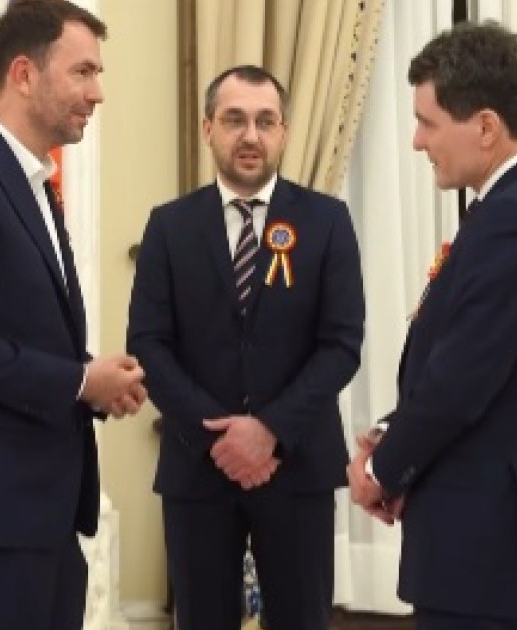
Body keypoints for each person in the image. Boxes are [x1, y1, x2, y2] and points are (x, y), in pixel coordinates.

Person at [346, 21, 517, 630]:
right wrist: (392, 432)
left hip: (484, 549)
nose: (417, 142)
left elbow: (461, 382)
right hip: (488, 545)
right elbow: (477, 365)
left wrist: (381, 471)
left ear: (486, 127)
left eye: (428, 123)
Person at [0, 2, 146, 629]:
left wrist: (93, 379)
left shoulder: (34, 183)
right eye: (83, 72)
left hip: (41, 516)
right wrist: (80, 380)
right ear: (23, 74)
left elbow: (19, 330)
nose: (97, 94)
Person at [127, 65, 366, 630]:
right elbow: (148, 345)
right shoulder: (169, 226)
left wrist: (269, 430)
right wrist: (221, 437)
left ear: (284, 132)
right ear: (208, 128)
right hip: (198, 467)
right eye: (234, 120)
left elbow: (341, 343)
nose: (250, 136)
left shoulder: (327, 222)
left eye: (265, 121)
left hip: (298, 465)